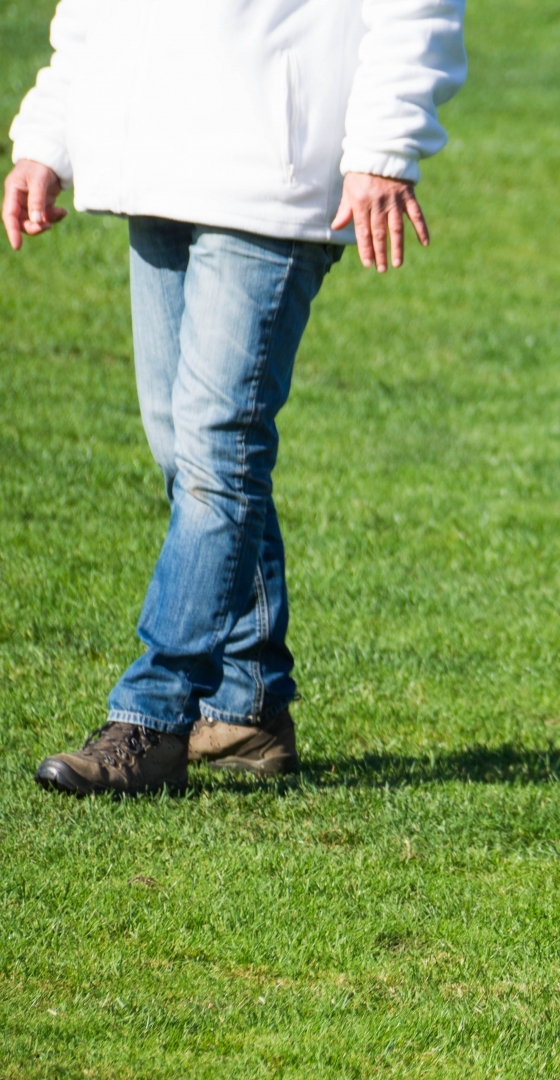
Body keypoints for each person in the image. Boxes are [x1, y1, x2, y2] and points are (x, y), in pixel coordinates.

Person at [7, 0, 467, 796]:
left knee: (218, 452)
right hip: (148, 162)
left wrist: (387, 146)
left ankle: (152, 714)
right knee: (187, 456)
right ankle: (248, 705)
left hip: (272, 174)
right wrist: (50, 132)